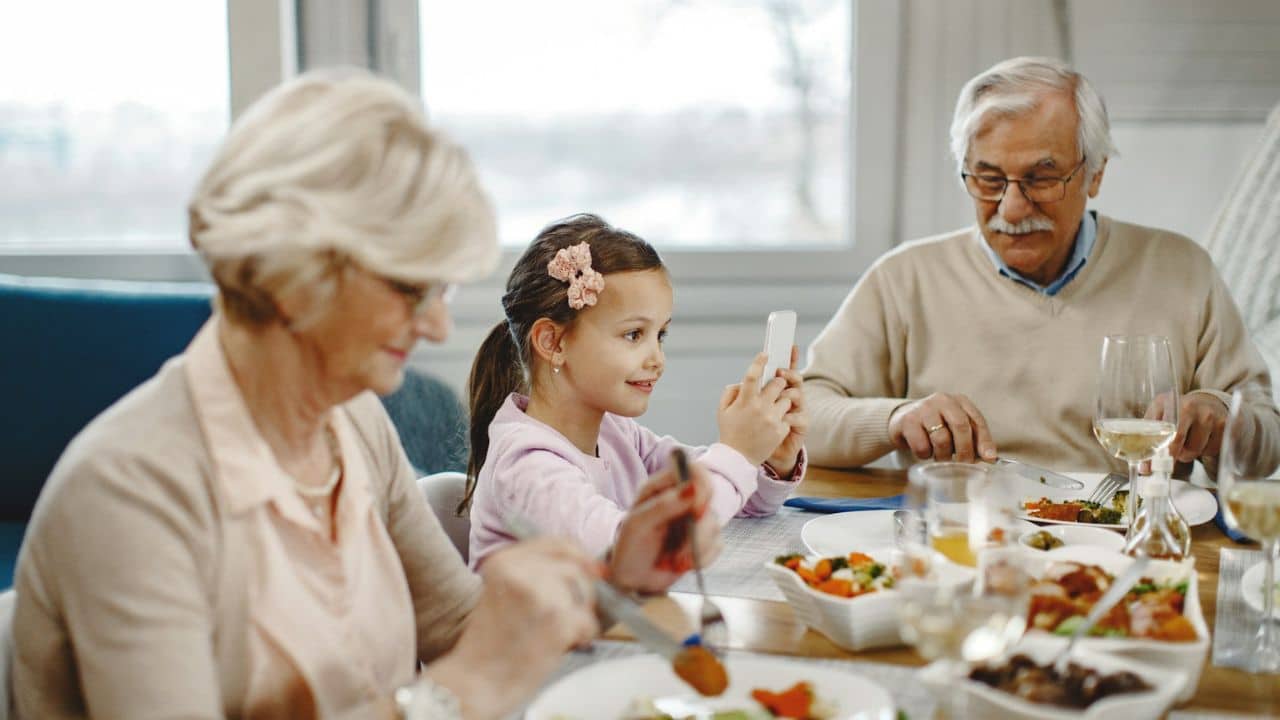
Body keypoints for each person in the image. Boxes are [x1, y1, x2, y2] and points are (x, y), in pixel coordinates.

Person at [12, 69, 716, 720]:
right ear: (294, 273)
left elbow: (460, 627)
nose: (438, 323)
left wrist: (615, 579)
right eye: (413, 288)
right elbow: (466, 670)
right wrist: (455, 692)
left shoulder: (350, 423)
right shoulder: (130, 494)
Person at [803, 56, 1280, 474]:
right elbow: (803, 418)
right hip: (961, 545)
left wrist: (1220, 414)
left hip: (1128, 548)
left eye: (1041, 178)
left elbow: (1267, 437)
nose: (1011, 208)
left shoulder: (1182, 270)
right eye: (988, 180)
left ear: (1095, 174)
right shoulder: (905, 278)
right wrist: (893, 418)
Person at [464, 214, 808, 567]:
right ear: (553, 341)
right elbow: (642, 556)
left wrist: (770, 460)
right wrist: (738, 453)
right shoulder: (527, 467)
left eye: (660, 335)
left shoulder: (617, 435)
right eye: (634, 335)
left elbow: (734, 502)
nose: (657, 359)